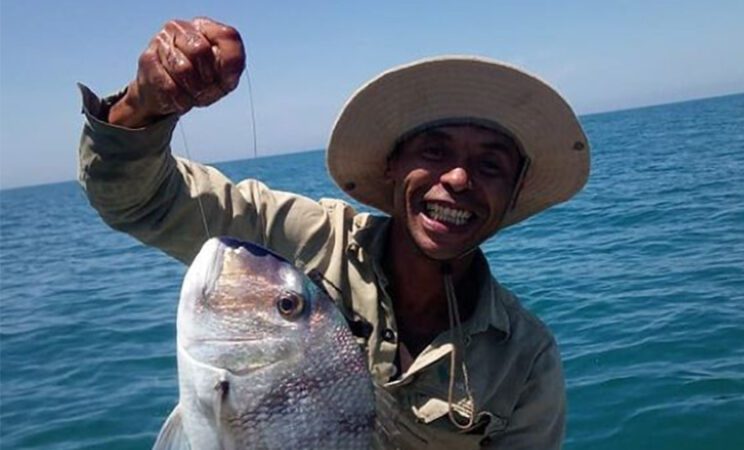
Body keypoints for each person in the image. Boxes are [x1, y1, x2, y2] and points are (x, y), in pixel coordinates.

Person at [78, 17, 589, 449]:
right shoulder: (303, 240)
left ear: (514, 191)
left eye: (491, 165)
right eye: (433, 152)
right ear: (392, 165)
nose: (458, 179)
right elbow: (141, 201)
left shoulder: (526, 360)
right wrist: (145, 105)